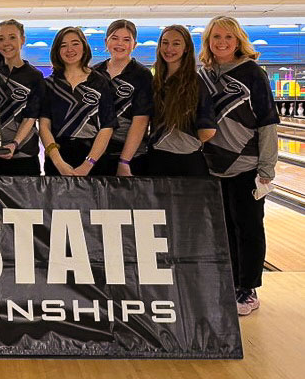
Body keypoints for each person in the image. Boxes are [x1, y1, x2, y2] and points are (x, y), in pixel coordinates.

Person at [198, 16, 280, 316]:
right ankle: (230, 281)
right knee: (223, 229)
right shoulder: (204, 74)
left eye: (227, 38)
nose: (221, 43)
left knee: (248, 228)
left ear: (238, 41)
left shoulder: (252, 73)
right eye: (216, 37)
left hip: (245, 165)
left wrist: (267, 169)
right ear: (208, 41)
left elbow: (269, 122)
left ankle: (248, 287)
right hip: (212, 166)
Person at [39, 26, 116, 176]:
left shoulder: (100, 81)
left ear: (84, 47)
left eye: (75, 43)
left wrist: (88, 164)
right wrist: (58, 163)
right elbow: (44, 125)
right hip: (58, 157)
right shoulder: (49, 84)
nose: (70, 49)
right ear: (57, 50)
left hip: (93, 158)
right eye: (63, 45)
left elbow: (107, 126)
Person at [147, 25, 216, 176]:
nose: (169, 48)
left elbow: (208, 131)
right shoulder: (156, 81)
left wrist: (181, 135)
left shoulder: (195, 83)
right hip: (156, 158)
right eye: (165, 43)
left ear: (186, 48)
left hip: (187, 162)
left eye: (176, 43)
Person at [0, 19, 44, 176]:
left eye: (12, 37)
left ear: (22, 40)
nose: (6, 43)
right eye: (1, 39)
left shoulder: (34, 76)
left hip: (25, 153)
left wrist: (15, 143)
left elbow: (31, 116)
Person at [93, 19, 153, 176]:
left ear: (134, 45)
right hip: (98, 153)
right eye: (115, 38)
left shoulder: (142, 75)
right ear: (106, 41)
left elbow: (141, 121)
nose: (120, 44)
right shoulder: (95, 73)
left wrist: (124, 161)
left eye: (127, 39)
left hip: (132, 156)